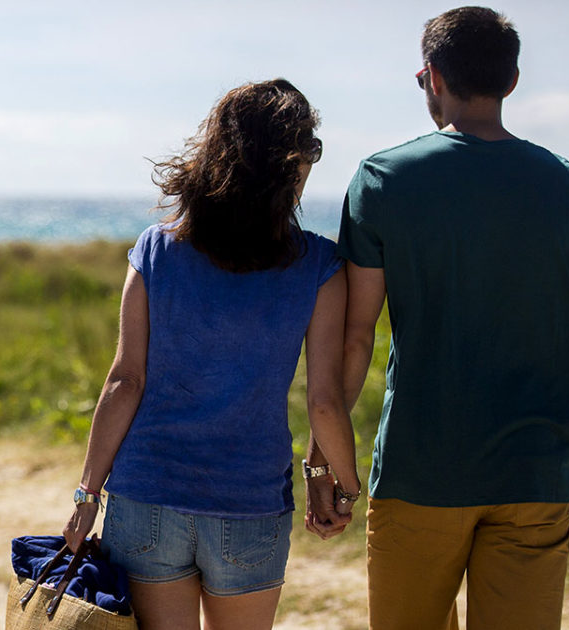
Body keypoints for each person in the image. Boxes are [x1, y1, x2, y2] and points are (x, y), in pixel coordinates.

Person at [331, 7, 569, 630]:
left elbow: (355, 335)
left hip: (418, 472)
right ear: (511, 81)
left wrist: (328, 455)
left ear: (430, 77)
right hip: (537, 473)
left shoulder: (382, 180)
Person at [61, 79, 361, 630]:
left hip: (147, 497)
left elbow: (125, 381)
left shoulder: (156, 248)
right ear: (290, 164)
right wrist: (344, 487)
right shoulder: (319, 265)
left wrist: (86, 494)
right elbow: (324, 401)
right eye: (310, 150)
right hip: (248, 505)